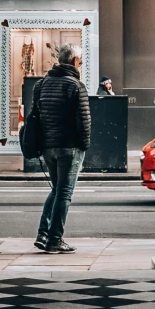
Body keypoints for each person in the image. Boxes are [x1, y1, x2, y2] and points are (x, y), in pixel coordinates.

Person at [31, 44, 91, 252]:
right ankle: (55, 239)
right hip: (69, 147)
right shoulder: (75, 85)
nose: (81, 64)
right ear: (74, 61)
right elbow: (84, 121)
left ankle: (43, 233)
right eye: (80, 61)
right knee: (64, 193)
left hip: (48, 147)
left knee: (56, 190)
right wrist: (84, 145)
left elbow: (34, 117)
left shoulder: (41, 84)